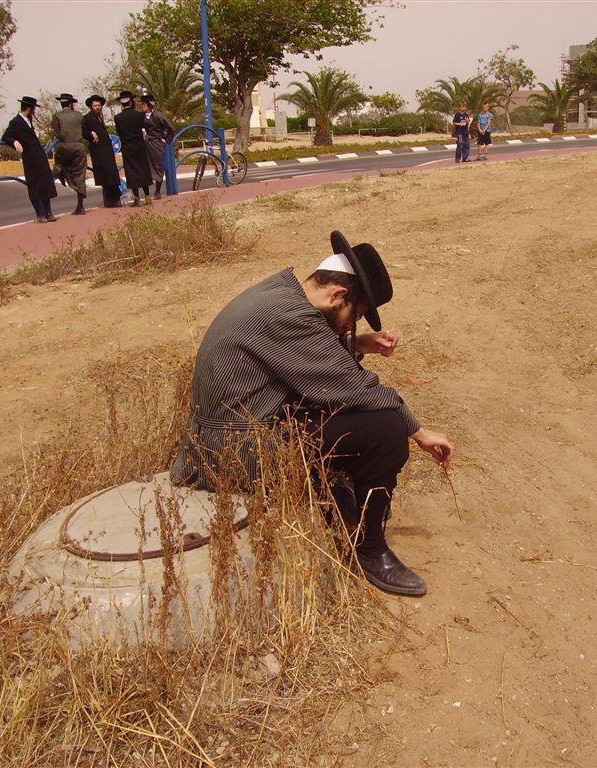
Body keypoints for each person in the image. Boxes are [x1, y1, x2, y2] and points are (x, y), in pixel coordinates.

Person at [171, 231, 454, 597]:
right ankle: (368, 548)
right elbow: (359, 388)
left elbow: (297, 351)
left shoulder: (281, 293)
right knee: (385, 427)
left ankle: (337, 496)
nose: (350, 326)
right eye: (356, 316)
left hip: (229, 432)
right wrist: (420, 432)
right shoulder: (292, 317)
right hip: (230, 453)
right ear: (338, 294)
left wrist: (357, 344)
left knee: (342, 413)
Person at [2, 96, 57, 223]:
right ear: (29, 108)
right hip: (30, 158)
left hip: (39, 156)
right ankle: (40, 213)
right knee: (35, 186)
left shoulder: (29, 120)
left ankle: (48, 212)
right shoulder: (16, 122)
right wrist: (14, 142)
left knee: (45, 183)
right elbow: (6, 136)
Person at [82, 95, 123, 208]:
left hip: (107, 150)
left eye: (99, 105)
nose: (98, 107)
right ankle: (111, 200)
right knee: (106, 176)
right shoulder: (86, 118)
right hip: (98, 151)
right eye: (95, 106)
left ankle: (115, 199)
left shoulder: (100, 117)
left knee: (111, 175)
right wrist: (90, 133)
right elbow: (82, 131)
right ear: (91, 107)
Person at [50, 93, 88, 215]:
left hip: (64, 146)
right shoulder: (78, 115)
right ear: (71, 103)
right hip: (78, 146)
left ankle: (60, 171)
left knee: (60, 162)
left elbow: (57, 133)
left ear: (61, 104)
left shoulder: (56, 116)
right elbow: (82, 128)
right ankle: (80, 206)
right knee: (80, 174)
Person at [113, 90, 151, 206]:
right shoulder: (139, 115)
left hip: (127, 147)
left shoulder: (118, 118)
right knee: (143, 170)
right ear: (131, 102)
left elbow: (119, 132)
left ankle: (137, 199)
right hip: (139, 145)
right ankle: (147, 197)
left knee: (131, 172)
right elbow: (143, 128)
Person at [141, 94, 176, 199]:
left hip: (156, 143)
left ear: (148, 105)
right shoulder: (141, 116)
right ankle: (146, 194)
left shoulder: (158, 116)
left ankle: (157, 191)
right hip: (145, 143)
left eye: (143, 104)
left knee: (158, 166)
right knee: (145, 167)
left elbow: (171, 129)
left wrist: (166, 140)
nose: (142, 106)